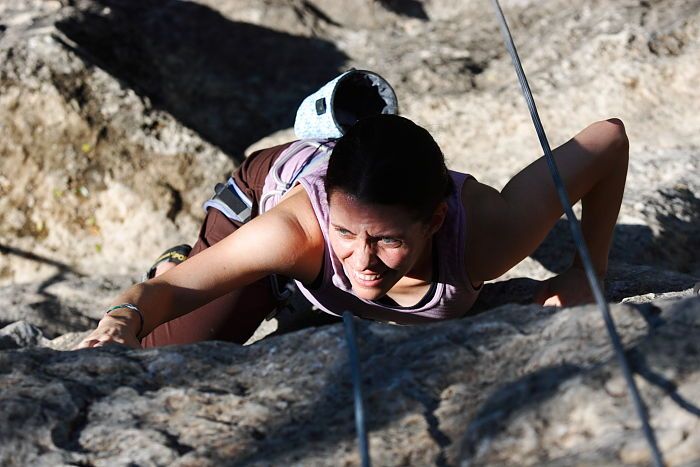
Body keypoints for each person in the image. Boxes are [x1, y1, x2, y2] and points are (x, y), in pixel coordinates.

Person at [76, 113, 629, 350]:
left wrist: (590, 270)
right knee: (166, 355)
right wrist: (122, 321)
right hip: (263, 202)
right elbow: (163, 296)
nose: (361, 261)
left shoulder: (489, 238)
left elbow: (609, 138)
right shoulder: (295, 233)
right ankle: (194, 255)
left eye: (388, 240)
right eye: (347, 233)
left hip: (342, 216)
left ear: (434, 220)